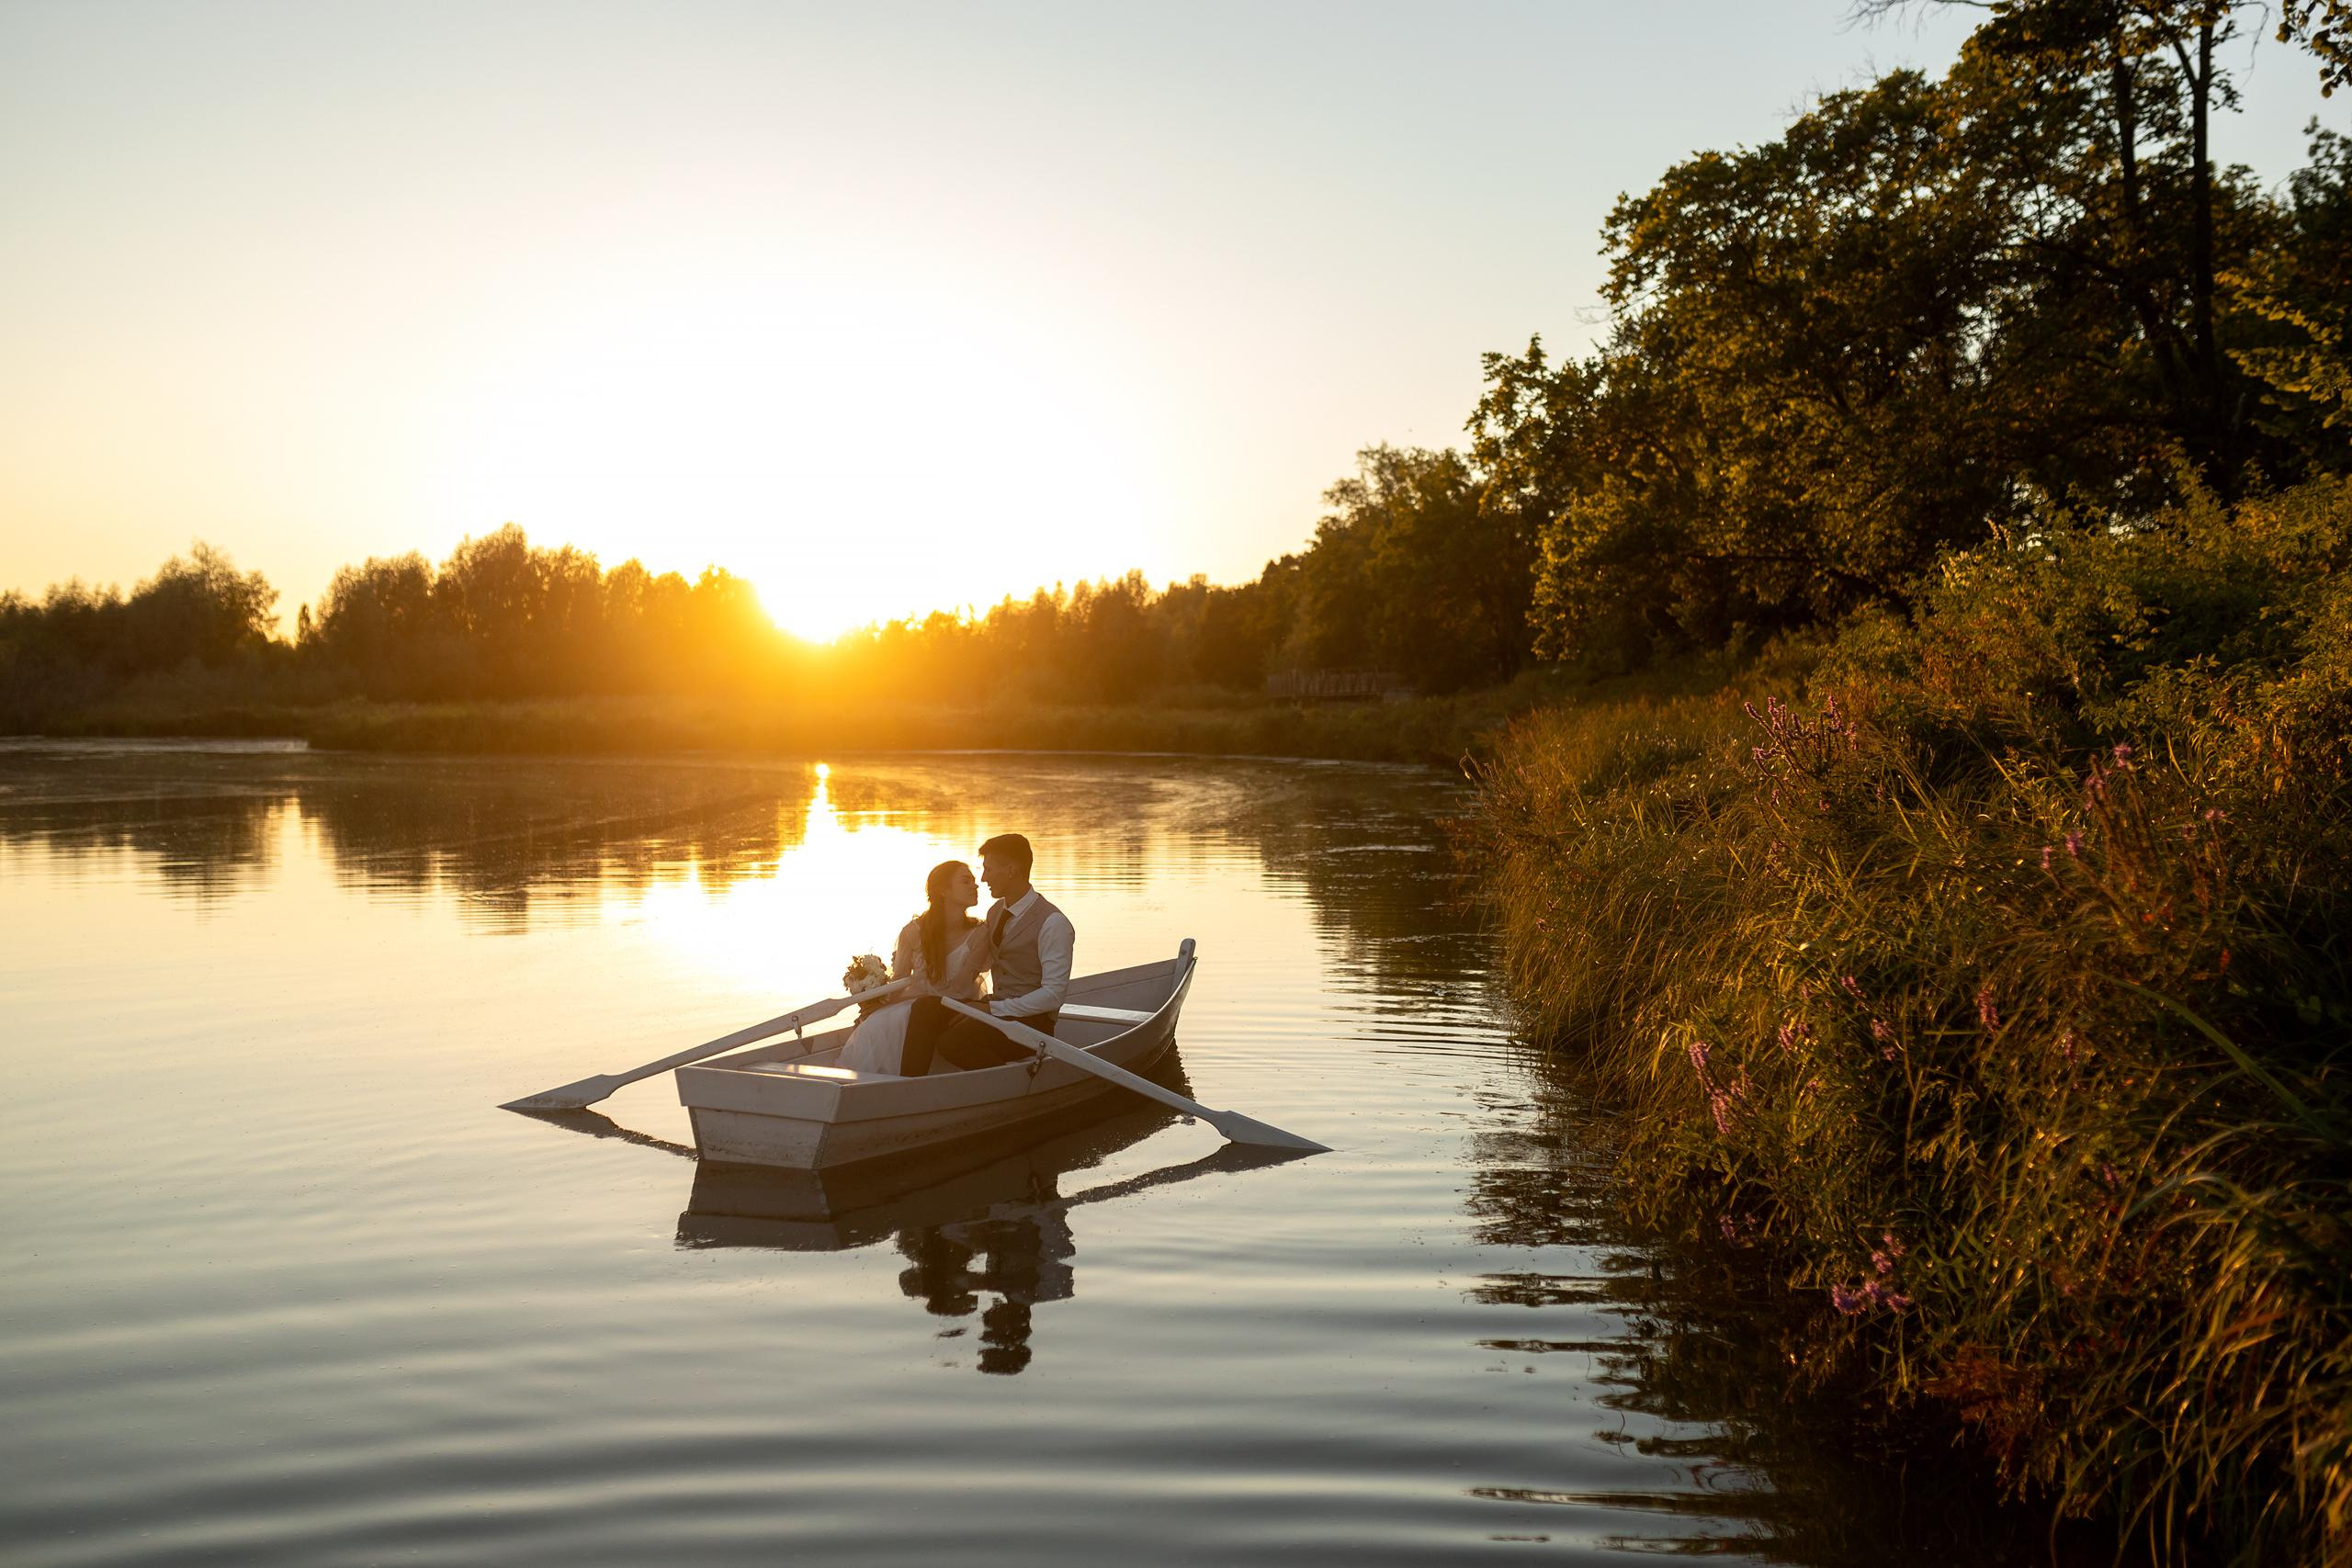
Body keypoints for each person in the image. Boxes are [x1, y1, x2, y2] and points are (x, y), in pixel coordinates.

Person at [897, 832, 1074, 1077]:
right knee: (927, 1007)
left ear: (1011, 870)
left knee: (953, 1042)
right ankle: (909, 1084)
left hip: (1033, 1024)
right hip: (997, 1007)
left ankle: (1010, 1086)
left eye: (988, 869)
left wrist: (993, 1009)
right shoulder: (995, 912)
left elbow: (1053, 995)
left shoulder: (1053, 923)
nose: (983, 878)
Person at [835, 860, 994, 1075]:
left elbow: (959, 989)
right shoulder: (913, 931)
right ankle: (883, 1080)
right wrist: (876, 1003)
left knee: (916, 1012)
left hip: (957, 1006)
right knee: (878, 1022)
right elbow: (900, 979)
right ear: (944, 890)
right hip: (917, 1003)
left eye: (974, 881)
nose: (975, 886)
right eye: (966, 881)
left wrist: (905, 999)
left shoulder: (979, 933)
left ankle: (912, 1079)